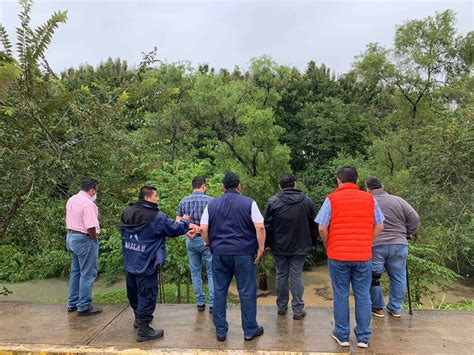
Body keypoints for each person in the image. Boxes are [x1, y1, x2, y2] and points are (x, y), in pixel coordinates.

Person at [315, 166, 384, 349]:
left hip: (338, 255)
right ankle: (363, 337)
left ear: (338, 180)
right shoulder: (370, 199)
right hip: (362, 255)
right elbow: (380, 226)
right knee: (362, 295)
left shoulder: (331, 199)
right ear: (357, 180)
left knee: (341, 295)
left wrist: (328, 243)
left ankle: (342, 335)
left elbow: (322, 227)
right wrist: (366, 241)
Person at [120, 186, 197, 342]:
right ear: (147, 198)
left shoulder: (127, 211)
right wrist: (185, 221)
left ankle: (139, 319)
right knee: (147, 295)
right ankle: (144, 330)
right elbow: (174, 229)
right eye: (156, 196)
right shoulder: (156, 216)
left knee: (133, 293)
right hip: (147, 262)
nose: (158, 198)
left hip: (130, 259)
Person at [200, 172, 265, 342]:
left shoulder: (212, 204)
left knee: (220, 290)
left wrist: (208, 244)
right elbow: (260, 227)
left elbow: (203, 228)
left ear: (222, 187)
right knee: (247, 291)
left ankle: (221, 331)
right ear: (239, 186)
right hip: (244, 253)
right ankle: (250, 330)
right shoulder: (249, 202)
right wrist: (261, 248)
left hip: (219, 254)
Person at [263, 173, 317, 320]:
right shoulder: (307, 201)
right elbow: (314, 225)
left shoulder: (273, 201)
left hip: (279, 246)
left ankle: (281, 307)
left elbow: (267, 225)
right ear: (295, 184)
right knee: (296, 275)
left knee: (281, 274)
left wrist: (267, 244)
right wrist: (313, 243)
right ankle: (298, 309)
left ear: (280, 186)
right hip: (300, 246)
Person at [365, 177, 420, 318]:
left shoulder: (368, 201)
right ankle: (395, 308)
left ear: (368, 189)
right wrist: (408, 233)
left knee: (373, 278)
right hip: (399, 244)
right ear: (382, 186)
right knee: (398, 277)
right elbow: (415, 218)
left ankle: (378, 308)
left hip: (376, 244)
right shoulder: (398, 200)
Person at [176, 176, 214, 313]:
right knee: (211, 272)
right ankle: (213, 304)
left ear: (193, 186)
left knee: (195, 272)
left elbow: (178, 222)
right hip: (207, 240)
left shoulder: (183, 201)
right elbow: (214, 222)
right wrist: (201, 229)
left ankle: (200, 303)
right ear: (203, 186)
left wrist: (188, 230)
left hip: (191, 240)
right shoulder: (211, 201)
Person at [65, 178, 102, 316]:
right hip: (84, 238)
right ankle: (84, 306)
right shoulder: (88, 204)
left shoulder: (72, 199)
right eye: (96, 190)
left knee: (76, 271)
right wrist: (94, 239)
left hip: (71, 237)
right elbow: (91, 226)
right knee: (88, 273)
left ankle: (72, 303)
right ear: (92, 190)